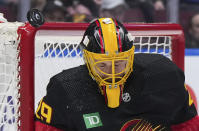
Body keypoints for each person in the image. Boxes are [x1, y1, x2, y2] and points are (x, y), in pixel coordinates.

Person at [35, 18, 199, 130]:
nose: (111, 73)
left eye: (119, 63)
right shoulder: (65, 89)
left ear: (130, 57)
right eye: (103, 65)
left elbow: (188, 124)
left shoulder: (163, 76)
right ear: (88, 61)